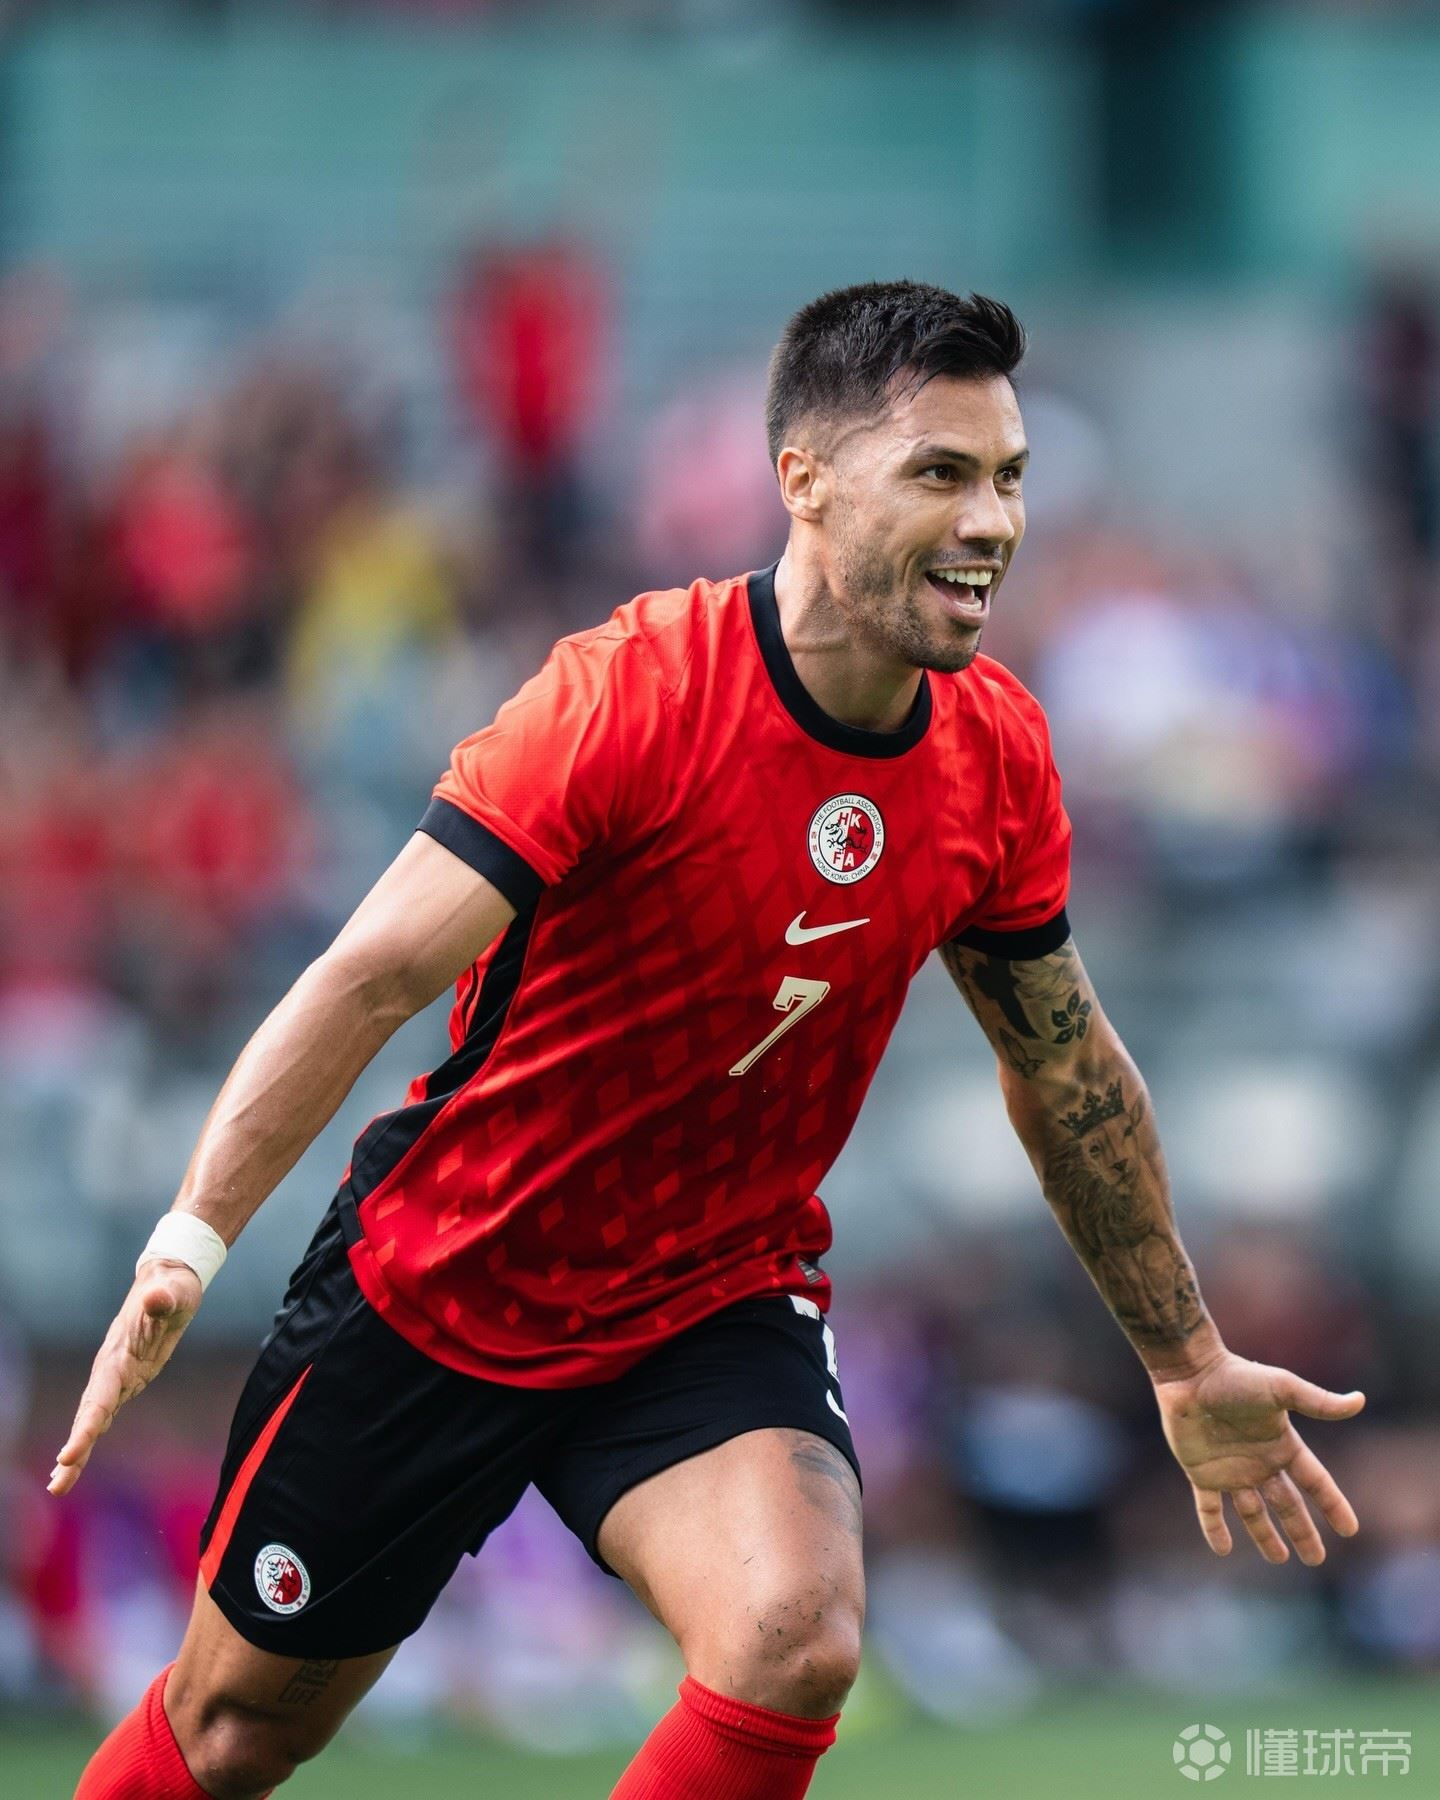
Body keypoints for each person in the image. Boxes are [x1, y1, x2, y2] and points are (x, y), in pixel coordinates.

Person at [58, 282, 1365, 1800]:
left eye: (1010, 477)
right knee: (236, 1731)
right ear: (804, 480)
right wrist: (189, 1240)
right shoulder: (627, 696)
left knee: (795, 1636)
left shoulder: (997, 752)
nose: (992, 522)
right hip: (453, 1279)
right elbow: (368, 977)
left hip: (708, 1291)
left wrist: (1186, 1361)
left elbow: (1066, 1071)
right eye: (941, 474)